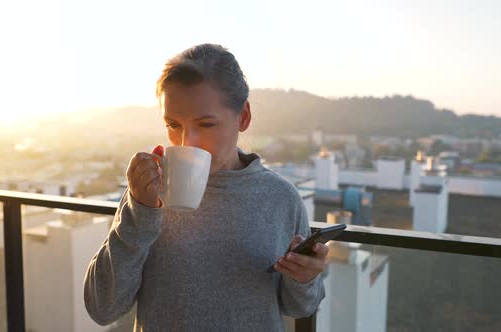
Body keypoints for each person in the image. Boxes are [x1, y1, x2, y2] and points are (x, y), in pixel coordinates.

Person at [83, 43, 327, 331]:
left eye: (206, 124)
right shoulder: (149, 194)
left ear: (243, 117)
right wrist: (140, 210)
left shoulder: (281, 198)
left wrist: (304, 278)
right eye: (173, 125)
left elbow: (300, 307)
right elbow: (102, 308)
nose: (188, 141)